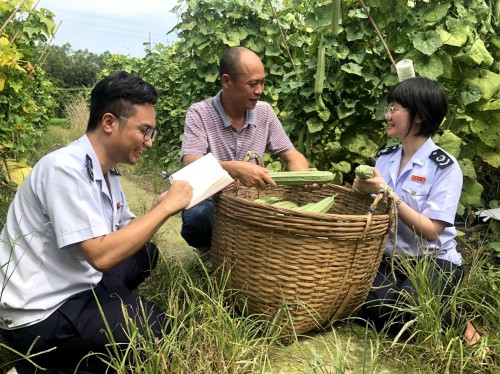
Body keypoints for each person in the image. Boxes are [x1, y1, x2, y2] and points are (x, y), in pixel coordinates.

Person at [0, 71, 193, 373]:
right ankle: (33, 367)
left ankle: (111, 310)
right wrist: (166, 209)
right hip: (39, 313)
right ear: (108, 122)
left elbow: (124, 232)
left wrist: (155, 208)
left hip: (74, 281)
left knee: (146, 254)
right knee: (158, 331)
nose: (149, 143)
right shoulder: (64, 169)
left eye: (151, 133)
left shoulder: (106, 171)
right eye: (145, 131)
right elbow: (102, 256)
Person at [352, 76, 480, 345]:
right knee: (369, 307)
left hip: (434, 261)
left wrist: (388, 193)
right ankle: (436, 306)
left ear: (419, 116)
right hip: (390, 258)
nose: (387, 115)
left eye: (394, 108)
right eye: (388, 108)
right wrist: (361, 191)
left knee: (410, 315)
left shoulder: (444, 167)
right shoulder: (385, 158)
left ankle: (457, 319)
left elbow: (432, 232)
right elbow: (372, 209)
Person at [180, 46, 313, 250]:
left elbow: (291, 154)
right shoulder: (200, 113)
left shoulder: (264, 113)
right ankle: (210, 252)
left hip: (250, 200)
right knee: (198, 217)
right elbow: (191, 164)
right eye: (252, 84)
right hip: (212, 198)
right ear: (227, 81)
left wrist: (302, 174)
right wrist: (235, 169)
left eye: (262, 82)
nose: (259, 90)